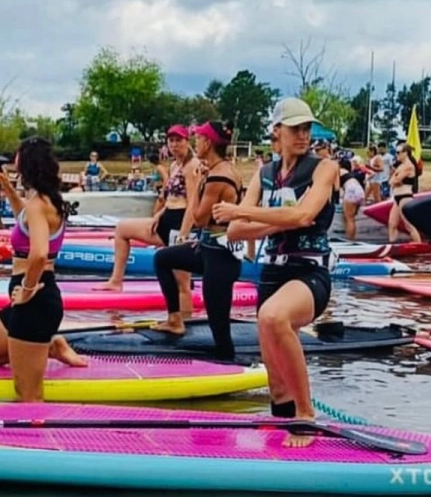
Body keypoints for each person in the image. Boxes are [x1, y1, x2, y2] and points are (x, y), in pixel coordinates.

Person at [215, 97, 337, 447]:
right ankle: (282, 421)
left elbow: (303, 216)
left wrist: (249, 214)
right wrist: (272, 223)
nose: (303, 135)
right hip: (271, 273)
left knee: (273, 316)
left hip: (310, 271)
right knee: (274, 373)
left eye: (307, 128)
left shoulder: (323, 169)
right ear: (277, 132)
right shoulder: (265, 173)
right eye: (295, 128)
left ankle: (305, 416)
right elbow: (235, 231)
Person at [0, 137, 87, 402]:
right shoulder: (45, 200)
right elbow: (26, 222)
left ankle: (33, 442)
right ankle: (51, 346)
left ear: (26, 167)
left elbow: (40, 253)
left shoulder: (37, 204)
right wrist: (8, 188)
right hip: (33, 300)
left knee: (28, 395)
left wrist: (28, 290)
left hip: (35, 303)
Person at [149, 121, 244, 361]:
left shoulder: (218, 176)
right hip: (208, 249)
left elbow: (200, 218)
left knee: (219, 325)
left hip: (221, 258)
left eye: (199, 138)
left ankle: (227, 368)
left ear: (208, 143)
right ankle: (174, 319)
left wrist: (197, 182)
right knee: (163, 258)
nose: (196, 143)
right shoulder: (219, 170)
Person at [94, 125, 199, 313]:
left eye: (178, 140)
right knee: (122, 229)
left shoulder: (192, 166)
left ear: (187, 141)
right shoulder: (175, 165)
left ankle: (186, 324)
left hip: (180, 222)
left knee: (182, 283)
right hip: (167, 217)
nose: (174, 145)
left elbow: (192, 203)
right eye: (171, 141)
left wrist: (183, 235)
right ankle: (116, 281)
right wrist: (158, 215)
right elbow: (170, 197)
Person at [387, 144, 422, 244]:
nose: (396, 155)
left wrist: (396, 179)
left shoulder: (409, 166)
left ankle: (418, 244)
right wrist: (395, 179)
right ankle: (392, 243)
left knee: (408, 225)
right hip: (397, 197)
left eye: (398, 152)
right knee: (392, 224)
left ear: (405, 153)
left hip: (405, 197)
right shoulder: (401, 166)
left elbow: (394, 180)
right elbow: (391, 181)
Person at [339, 158, 365, 240]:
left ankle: (350, 240)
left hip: (351, 191)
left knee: (349, 218)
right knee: (350, 217)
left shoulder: (338, 171)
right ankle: (350, 236)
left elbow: (336, 187)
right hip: (359, 190)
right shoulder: (348, 173)